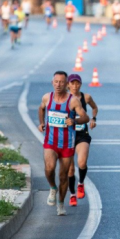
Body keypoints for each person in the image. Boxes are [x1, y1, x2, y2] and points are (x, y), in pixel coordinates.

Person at [37, 71, 89, 216]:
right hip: (51, 141)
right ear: (52, 82)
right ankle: (53, 188)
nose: (58, 85)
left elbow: (85, 117)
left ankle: (60, 203)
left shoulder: (73, 101)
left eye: (61, 82)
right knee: (49, 168)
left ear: (67, 84)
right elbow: (41, 108)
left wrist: (75, 121)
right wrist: (41, 123)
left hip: (67, 144)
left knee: (63, 176)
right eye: (56, 82)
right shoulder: (47, 97)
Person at [67, 74, 98, 207]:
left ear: (80, 84)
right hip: (67, 136)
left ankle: (80, 184)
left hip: (82, 135)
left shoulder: (86, 97)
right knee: (70, 170)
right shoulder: (64, 99)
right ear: (68, 85)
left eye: (77, 83)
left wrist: (93, 119)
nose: (75, 86)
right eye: (72, 83)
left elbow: (95, 108)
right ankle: (72, 194)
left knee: (82, 162)